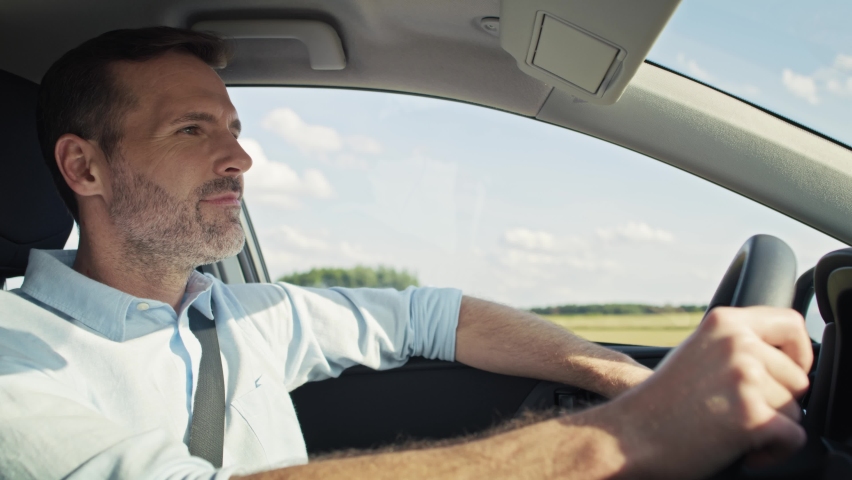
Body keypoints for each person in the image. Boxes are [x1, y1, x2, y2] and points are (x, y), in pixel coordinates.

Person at [0, 27, 812, 479]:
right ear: (85, 167)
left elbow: (438, 317)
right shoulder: (15, 362)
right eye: (192, 130)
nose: (240, 159)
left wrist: (616, 374)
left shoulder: (248, 314)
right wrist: (631, 434)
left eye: (234, 130)